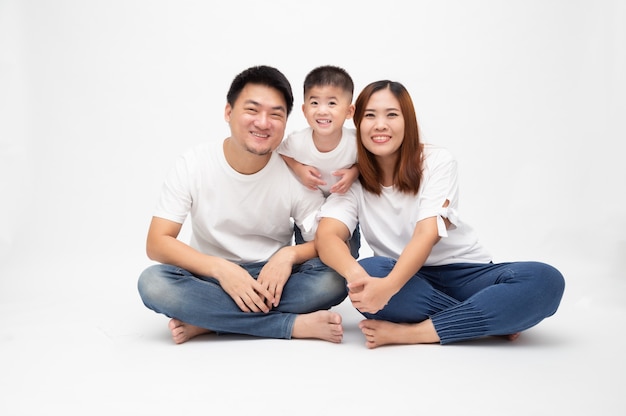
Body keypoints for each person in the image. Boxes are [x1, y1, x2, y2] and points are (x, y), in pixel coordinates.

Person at [315, 80, 565, 348]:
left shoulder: (437, 162)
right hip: (408, 280)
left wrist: (387, 289)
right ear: (357, 122)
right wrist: (357, 277)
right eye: (370, 115)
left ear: (407, 121)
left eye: (392, 115)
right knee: (369, 272)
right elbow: (327, 236)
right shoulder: (351, 181)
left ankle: (415, 333)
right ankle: (485, 318)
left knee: (545, 280)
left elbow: (427, 233)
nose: (380, 125)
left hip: (466, 273)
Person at [137, 65, 348, 344]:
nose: (263, 123)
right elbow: (157, 243)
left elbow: (324, 242)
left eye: (276, 114)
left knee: (333, 280)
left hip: (273, 280)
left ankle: (209, 321)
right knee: (153, 284)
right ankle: (289, 325)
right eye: (252, 110)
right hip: (207, 276)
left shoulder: (295, 174)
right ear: (228, 112)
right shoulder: (194, 163)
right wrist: (220, 269)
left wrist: (287, 257)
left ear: (286, 122)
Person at [277, 65, 361, 258]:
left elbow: (369, 162)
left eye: (332, 103)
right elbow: (281, 153)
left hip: (341, 198)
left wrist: (354, 172)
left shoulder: (355, 142)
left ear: (349, 111)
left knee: (346, 247)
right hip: (309, 199)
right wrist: (299, 170)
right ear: (305, 110)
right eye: (314, 103)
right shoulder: (298, 141)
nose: (322, 111)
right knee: (308, 243)